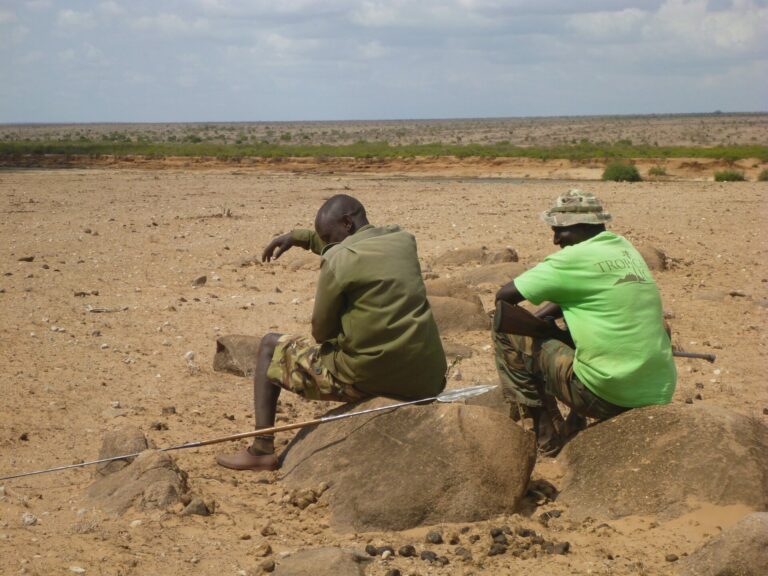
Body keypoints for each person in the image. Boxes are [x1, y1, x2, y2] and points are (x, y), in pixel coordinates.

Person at [217, 194, 447, 471]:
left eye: (326, 236)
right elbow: (350, 247)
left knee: (269, 346)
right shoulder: (402, 241)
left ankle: (261, 449)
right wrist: (302, 237)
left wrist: (342, 339)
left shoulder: (338, 260)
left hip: (369, 376)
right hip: (427, 380)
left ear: (347, 223)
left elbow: (321, 331)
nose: (326, 244)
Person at [493, 189, 676, 456]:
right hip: (657, 392)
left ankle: (545, 435)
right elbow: (581, 291)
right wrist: (544, 317)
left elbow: (504, 297)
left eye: (559, 231)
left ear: (580, 227)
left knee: (504, 326)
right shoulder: (624, 248)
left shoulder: (571, 259)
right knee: (582, 316)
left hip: (607, 396)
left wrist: (536, 323)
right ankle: (573, 421)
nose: (555, 239)